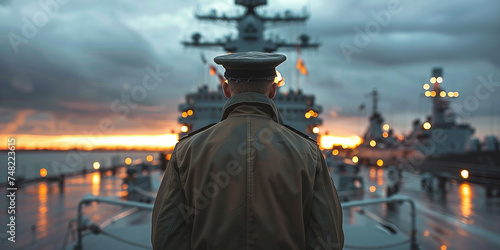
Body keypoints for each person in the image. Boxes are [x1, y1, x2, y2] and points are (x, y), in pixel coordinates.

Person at [152, 51, 344, 250]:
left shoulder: (187, 151)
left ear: (226, 89)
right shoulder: (308, 152)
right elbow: (327, 237)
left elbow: (166, 236)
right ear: (273, 90)